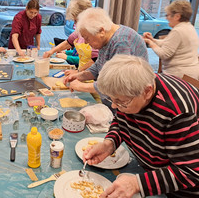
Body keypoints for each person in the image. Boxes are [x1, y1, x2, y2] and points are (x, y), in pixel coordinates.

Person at [84, 54, 199, 198]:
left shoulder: (178, 113)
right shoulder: (133, 89)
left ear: (147, 92)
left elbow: (190, 172)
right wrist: (110, 143)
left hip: (182, 189)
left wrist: (137, 183)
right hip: (153, 173)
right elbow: (121, 120)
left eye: (120, 102)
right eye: (111, 99)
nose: (115, 106)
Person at [64, 8, 148, 110]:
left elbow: (116, 84)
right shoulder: (106, 39)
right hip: (113, 101)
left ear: (101, 31)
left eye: (87, 38)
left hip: (128, 105)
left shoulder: (122, 42)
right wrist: (79, 76)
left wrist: (81, 86)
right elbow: (98, 66)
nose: (85, 42)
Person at [143, 0, 199, 79]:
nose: (166, 18)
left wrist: (150, 43)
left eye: (168, 15)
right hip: (191, 74)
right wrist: (153, 39)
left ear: (177, 16)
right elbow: (167, 43)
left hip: (179, 75)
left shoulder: (178, 31)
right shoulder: (189, 27)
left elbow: (164, 54)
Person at [43, 0, 97, 72]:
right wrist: (51, 51)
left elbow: (95, 61)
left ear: (84, 16)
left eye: (75, 20)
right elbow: (68, 42)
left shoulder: (96, 32)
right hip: (81, 72)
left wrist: (77, 72)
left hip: (90, 76)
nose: (74, 23)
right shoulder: (80, 29)